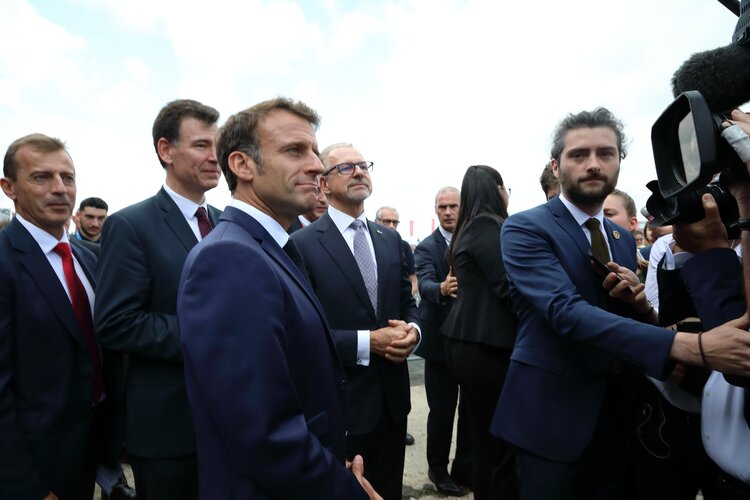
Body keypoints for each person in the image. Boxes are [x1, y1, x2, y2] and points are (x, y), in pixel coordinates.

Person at [491, 107, 750, 500]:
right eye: (579, 154)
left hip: (618, 416)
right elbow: (565, 313)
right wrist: (690, 347)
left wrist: (640, 306)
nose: (593, 164)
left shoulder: (620, 236)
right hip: (550, 415)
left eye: (606, 153)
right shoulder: (525, 227)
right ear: (556, 166)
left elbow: (617, 321)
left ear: (619, 162)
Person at [177, 97, 379, 499]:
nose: (317, 166)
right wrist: (346, 490)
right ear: (242, 165)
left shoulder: (272, 248)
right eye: (294, 151)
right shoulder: (229, 257)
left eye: (314, 152)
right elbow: (263, 432)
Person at [94, 99, 222, 500]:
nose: (215, 157)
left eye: (217, 146)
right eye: (201, 145)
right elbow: (116, 322)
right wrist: (208, 336)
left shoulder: (225, 223)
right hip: (169, 431)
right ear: (166, 151)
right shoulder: (131, 225)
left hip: (230, 420)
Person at [292, 143, 420, 500]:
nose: (360, 171)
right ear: (324, 184)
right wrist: (368, 342)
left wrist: (414, 333)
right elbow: (302, 332)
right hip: (340, 402)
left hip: (393, 402)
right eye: (346, 168)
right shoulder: (300, 245)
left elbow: (408, 305)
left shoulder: (391, 239)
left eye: (363, 165)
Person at [0, 134, 115, 499]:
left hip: (87, 455)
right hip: (31, 468)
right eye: (41, 177)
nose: (59, 189)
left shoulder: (89, 259)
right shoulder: (4, 262)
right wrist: (28, 486)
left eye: (67, 178)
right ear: (9, 187)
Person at [441, 166, 517, 500]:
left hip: (468, 343)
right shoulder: (489, 227)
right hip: (487, 346)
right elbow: (508, 288)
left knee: (482, 435)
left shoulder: (468, 228)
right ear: (497, 189)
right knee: (501, 441)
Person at [413, 186, 473, 496]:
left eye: (452, 206)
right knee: (442, 410)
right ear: (435, 211)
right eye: (442, 207)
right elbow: (423, 282)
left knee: (471, 410)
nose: (447, 212)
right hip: (440, 345)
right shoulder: (426, 247)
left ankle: (464, 466)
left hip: (472, 340)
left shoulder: (474, 240)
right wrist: (441, 287)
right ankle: (438, 471)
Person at [375, 206, 418, 299]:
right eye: (387, 221)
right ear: (376, 221)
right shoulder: (367, 244)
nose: (391, 226)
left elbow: (414, 280)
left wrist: (404, 300)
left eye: (395, 222)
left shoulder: (404, 246)